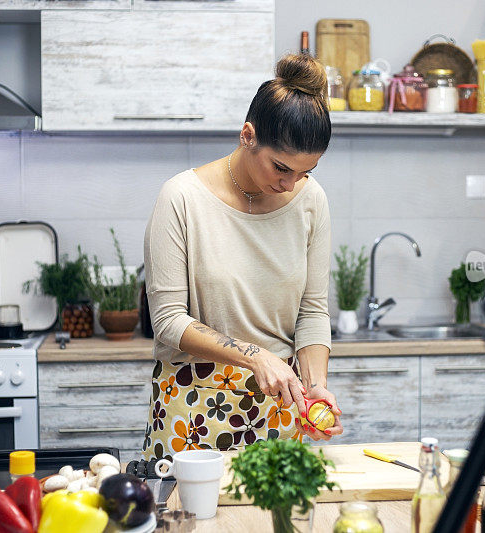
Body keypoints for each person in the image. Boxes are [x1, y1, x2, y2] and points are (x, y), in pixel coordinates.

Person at [141, 53, 343, 460]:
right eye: (281, 168)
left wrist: (316, 383)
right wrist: (256, 357)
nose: (289, 185)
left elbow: (312, 311)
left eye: (306, 173)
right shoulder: (181, 198)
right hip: (190, 407)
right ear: (247, 135)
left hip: (281, 408)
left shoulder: (311, 202)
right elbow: (168, 321)